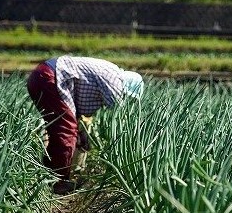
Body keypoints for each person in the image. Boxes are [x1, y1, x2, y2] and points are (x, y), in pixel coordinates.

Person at [27, 55, 144, 195]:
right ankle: (60, 180)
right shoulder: (116, 82)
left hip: (43, 75)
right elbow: (119, 115)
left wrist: (82, 133)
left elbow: (77, 110)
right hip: (50, 77)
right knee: (66, 130)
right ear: (128, 87)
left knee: (58, 128)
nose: (125, 99)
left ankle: (49, 169)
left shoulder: (110, 73)